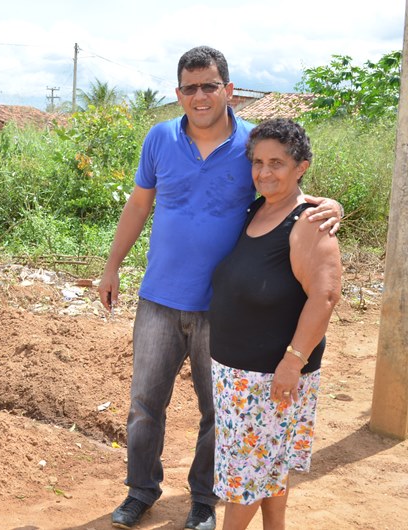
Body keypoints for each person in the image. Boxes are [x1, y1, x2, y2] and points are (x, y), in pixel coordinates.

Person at [97, 46, 342, 530]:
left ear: (228, 90)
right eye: (190, 87)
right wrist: (112, 267)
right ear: (178, 94)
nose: (200, 96)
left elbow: (286, 191)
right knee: (145, 404)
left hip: (223, 310)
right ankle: (141, 491)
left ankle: (204, 500)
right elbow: (139, 205)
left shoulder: (254, 144)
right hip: (159, 299)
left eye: (210, 85)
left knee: (219, 415)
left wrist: (330, 204)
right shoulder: (159, 138)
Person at [208, 119, 341, 529]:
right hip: (238, 374)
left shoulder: (309, 223)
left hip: (272, 376)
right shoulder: (258, 208)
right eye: (258, 162)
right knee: (267, 463)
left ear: (301, 166)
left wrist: (292, 361)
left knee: (247, 477)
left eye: (277, 163)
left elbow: (325, 296)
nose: (264, 172)